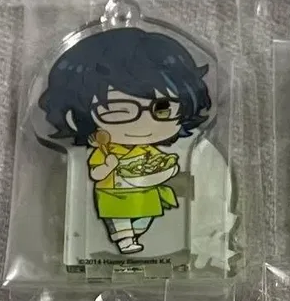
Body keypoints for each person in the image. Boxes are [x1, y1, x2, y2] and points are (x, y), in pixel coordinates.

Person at [39, 28, 210, 254]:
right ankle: (124, 239)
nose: (144, 120)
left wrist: (168, 171)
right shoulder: (104, 150)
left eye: (162, 108)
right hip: (113, 194)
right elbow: (96, 173)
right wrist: (108, 166)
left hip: (146, 195)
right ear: (76, 116)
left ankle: (134, 237)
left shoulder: (150, 151)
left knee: (144, 221)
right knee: (120, 222)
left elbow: (163, 165)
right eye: (119, 109)